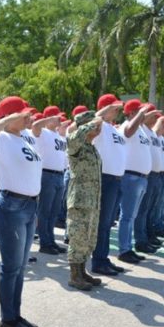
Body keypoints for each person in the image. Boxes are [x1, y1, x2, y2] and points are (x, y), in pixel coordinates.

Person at [0, 96, 41, 327]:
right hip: (11, 207)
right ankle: (8, 318)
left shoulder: (23, 139)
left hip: (28, 207)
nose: (29, 117)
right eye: (24, 114)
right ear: (11, 117)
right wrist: (7, 119)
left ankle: (15, 313)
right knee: (11, 267)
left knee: (21, 266)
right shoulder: (2, 138)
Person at [65, 110, 104, 290]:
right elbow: (73, 138)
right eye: (96, 126)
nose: (98, 129)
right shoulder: (76, 144)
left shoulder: (91, 147)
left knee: (88, 237)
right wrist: (90, 124)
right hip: (80, 199)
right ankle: (74, 275)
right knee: (77, 236)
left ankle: (82, 271)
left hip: (92, 200)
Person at [90, 94, 129, 276]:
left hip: (115, 179)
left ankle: (103, 258)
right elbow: (89, 122)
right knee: (102, 223)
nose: (118, 111)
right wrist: (103, 112)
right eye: (115, 108)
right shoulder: (100, 125)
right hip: (104, 178)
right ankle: (98, 261)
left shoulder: (113, 128)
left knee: (107, 223)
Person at [117, 99, 152, 264]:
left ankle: (128, 247)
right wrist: (140, 114)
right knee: (127, 216)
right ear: (132, 113)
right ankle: (124, 249)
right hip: (131, 177)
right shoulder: (127, 125)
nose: (142, 114)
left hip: (141, 178)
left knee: (132, 216)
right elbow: (128, 131)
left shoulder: (142, 130)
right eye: (138, 111)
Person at [33, 105, 68, 255]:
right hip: (47, 175)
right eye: (57, 117)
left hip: (59, 174)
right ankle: (44, 242)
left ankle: (51, 240)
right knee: (45, 211)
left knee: (54, 211)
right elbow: (35, 126)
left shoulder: (58, 135)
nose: (60, 119)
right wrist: (47, 119)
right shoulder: (43, 133)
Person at [134, 103, 164, 254]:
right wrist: (145, 115)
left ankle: (148, 235)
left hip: (154, 175)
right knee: (142, 210)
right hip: (147, 175)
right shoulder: (140, 129)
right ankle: (141, 239)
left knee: (150, 208)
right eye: (152, 117)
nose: (154, 120)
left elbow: (159, 129)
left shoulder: (151, 132)